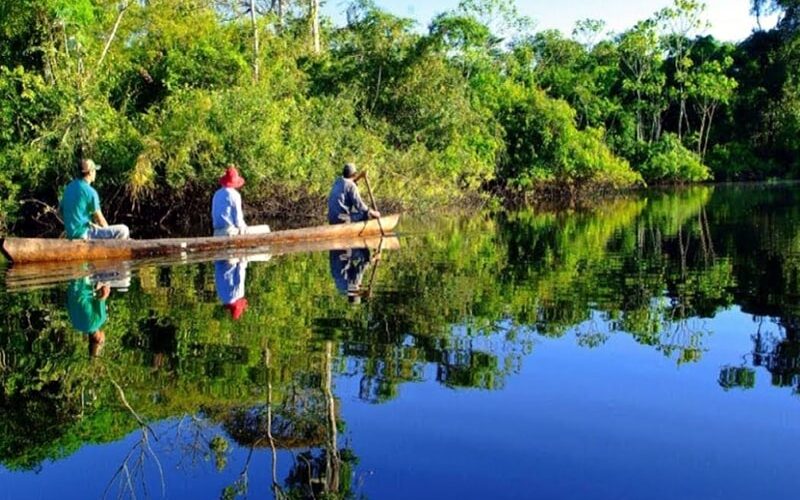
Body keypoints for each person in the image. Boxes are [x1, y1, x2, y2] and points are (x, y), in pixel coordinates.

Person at [60, 159, 130, 240]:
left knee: (98, 229)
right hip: (84, 235)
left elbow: (61, 211)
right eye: (94, 170)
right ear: (90, 172)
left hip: (71, 235)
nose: (95, 173)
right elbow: (101, 220)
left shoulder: (69, 187)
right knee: (123, 230)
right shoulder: (90, 192)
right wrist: (107, 233)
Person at [211, 165, 271, 237]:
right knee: (266, 228)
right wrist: (244, 229)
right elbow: (239, 221)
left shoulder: (216, 194)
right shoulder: (234, 195)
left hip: (216, 233)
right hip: (230, 232)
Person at [66, 277, 109, 357]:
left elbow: (104, 292)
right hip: (71, 286)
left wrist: (107, 288)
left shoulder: (100, 320)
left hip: (84, 284)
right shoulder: (76, 325)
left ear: (100, 340)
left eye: (103, 341)